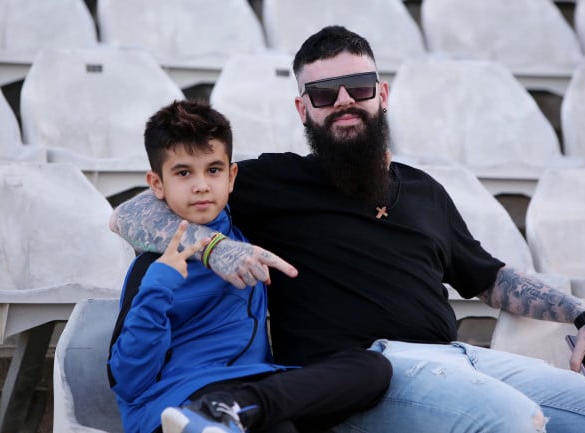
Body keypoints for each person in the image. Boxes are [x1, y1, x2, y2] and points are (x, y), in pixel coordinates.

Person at [110, 27, 585, 433]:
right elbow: (129, 214)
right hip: (368, 371)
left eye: (358, 87)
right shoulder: (270, 181)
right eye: (323, 93)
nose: (343, 99)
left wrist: (584, 313)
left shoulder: (426, 190)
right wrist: (216, 248)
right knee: (511, 422)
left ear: (381, 94)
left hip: (463, 359)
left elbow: (492, 278)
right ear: (302, 109)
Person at [107, 99, 392, 433]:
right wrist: (159, 285)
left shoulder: (247, 237)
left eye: (213, 170)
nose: (201, 185)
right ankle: (223, 412)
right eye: (183, 173)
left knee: (373, 367)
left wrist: (366, 172)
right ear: (157, 184)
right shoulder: (153, 266)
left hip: (255, 390)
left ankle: (235, 409)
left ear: (231, 177)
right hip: (177, 401)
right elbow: (128, 382)